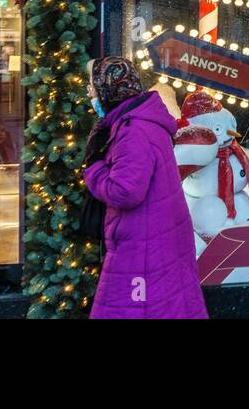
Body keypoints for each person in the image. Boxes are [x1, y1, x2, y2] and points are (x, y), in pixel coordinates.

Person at [82, 56, 206, 319]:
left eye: (92, 85)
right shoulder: (137, 120)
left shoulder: (133, 129)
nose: (89, 93)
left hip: (143, 241)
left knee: (136, 307)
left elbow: (125, 191)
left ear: (109, 87)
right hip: (155, 235)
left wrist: (93, 167)